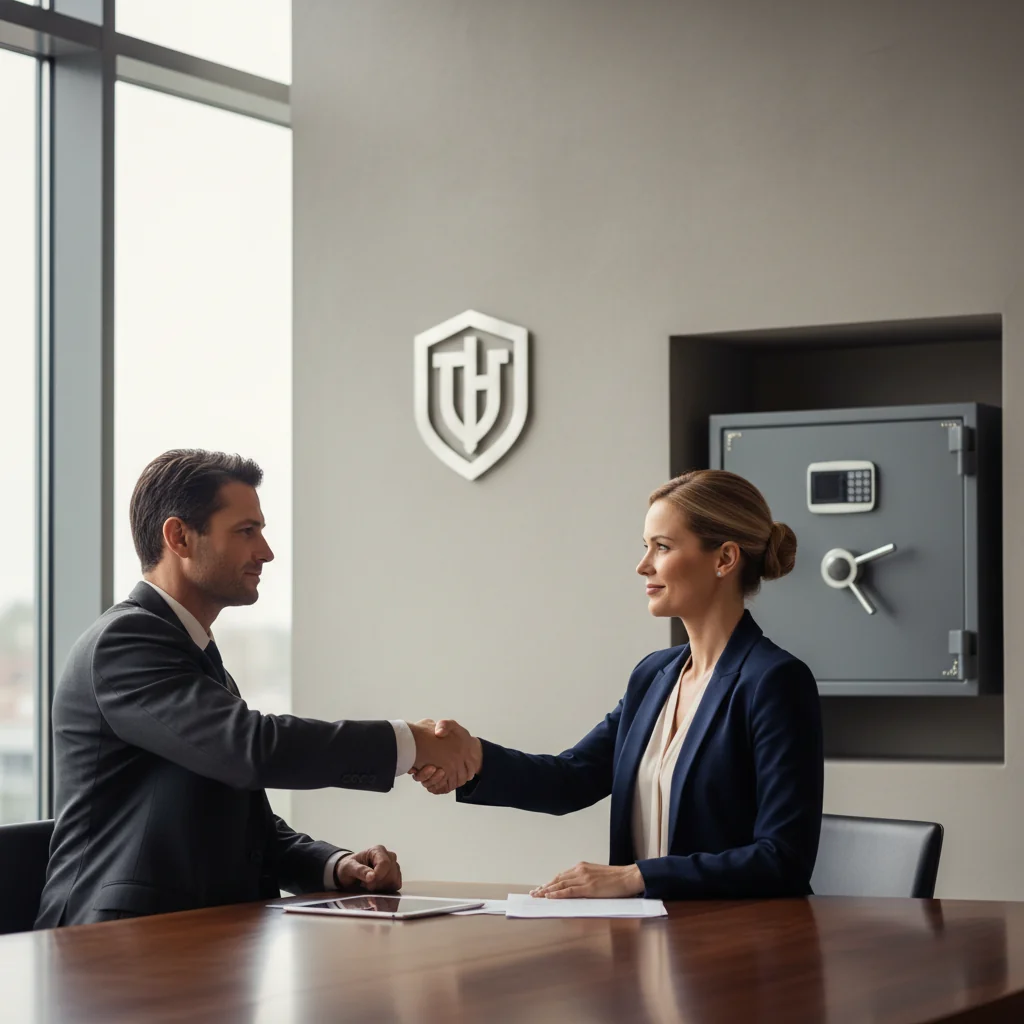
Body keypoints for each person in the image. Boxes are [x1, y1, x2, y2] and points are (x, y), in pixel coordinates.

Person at [36, 449, 477, 927]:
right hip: (108, 953)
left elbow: (241, 822)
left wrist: (334, 866)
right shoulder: (126, 643)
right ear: (178, 536)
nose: (265, 551)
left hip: (193, 943)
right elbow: (251, 750)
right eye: (247, 531)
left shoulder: (192, 654)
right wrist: (411, 743)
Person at [411, 470, 824, 901]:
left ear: (724, 559)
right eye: (645, 547)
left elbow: (782, 859)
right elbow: (572, 779)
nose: (643, 565)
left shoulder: (774, 682)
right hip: (651, 942)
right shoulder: (653, 676)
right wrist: (472, 756)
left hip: (735, 947)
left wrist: (634, 877)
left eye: (662, 547)